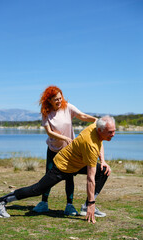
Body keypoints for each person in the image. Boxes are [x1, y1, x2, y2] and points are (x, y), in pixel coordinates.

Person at [0, 115, 115, 224]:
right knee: (37, 189)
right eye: (110, 132)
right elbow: (90, 179)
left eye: (114, 131)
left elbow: (100, 141)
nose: (113, 134)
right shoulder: (90, 144)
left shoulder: (96, 125)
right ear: (99, 130)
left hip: (77, 164)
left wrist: (103, 161)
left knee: (103, 171)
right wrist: (92, 203)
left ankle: (86, 205)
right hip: (63, 166)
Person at [32, 85, 97, 216]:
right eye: (56, 99)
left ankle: (69, 205)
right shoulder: (46, 112)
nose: (59, 101)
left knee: (69, 177)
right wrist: (65, 138)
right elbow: (49, 132)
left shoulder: (68, 107)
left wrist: (96, 120)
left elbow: (82, 116)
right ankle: (44, 203)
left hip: (68, 151)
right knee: (48, 176)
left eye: (60, 98)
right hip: (53, 149)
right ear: (49, 100)